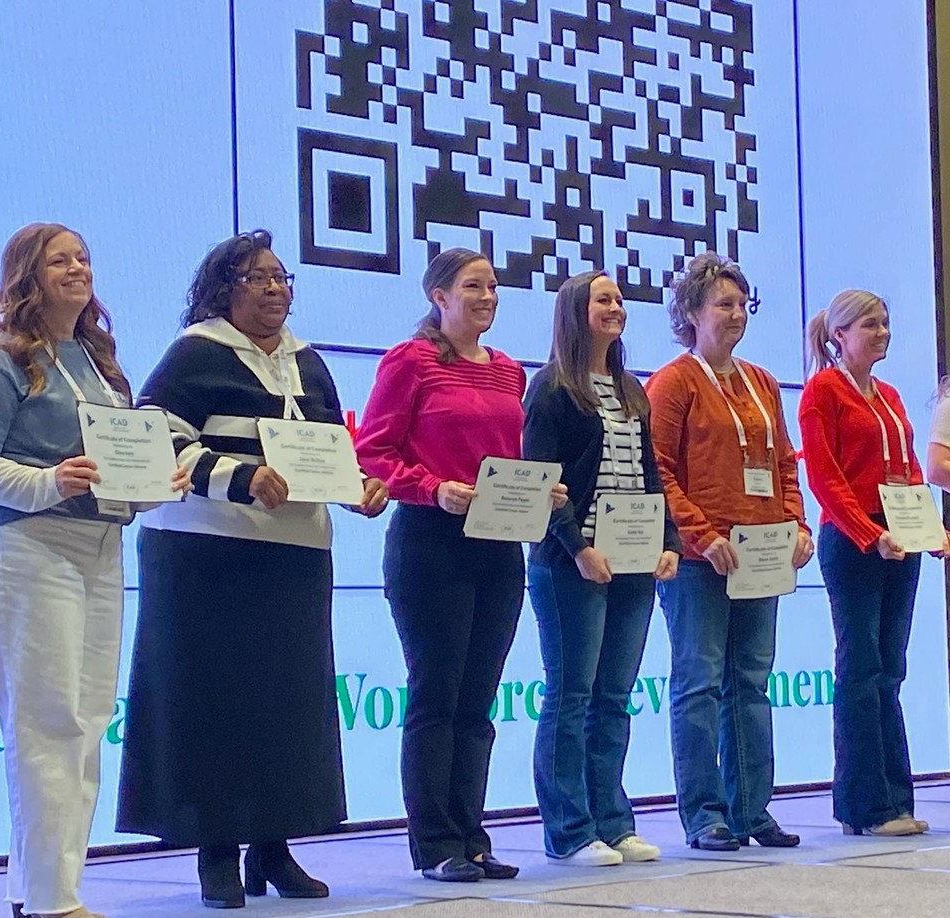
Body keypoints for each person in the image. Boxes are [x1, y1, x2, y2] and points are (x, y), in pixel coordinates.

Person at [114, 230, 388, 909]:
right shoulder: (195, 354)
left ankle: (275, 846)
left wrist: (361, 488)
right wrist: (238, 476)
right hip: (206, 554)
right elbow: (157, 437)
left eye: (281, 277)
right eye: (257, 278)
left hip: (292, 556)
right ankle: (216, 853)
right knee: (218, 704)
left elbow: (331, 448)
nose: (275, 289)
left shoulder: (309, 363)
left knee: (285, 707)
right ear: (222, 289)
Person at [0, 223, 185, 918]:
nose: (77, 269)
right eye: (60, 260)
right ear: (28, 274)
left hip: (100, 544)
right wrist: (49, 481)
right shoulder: (0, 358)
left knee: (85, 719)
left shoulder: (100, 362)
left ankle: (41, 891)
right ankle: (54, 901)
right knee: (46, 720)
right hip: (27, 541)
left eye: (83, 258)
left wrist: (151, 484)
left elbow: (119, 464)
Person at [355, 247, 567, 882]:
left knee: (478, 700)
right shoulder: (410, 360)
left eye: (494, 287)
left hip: (498, 545)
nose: (488, 297)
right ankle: (434, 842)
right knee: (436, 694)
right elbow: (374, 451)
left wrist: (540, 490)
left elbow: (506, 458)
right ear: (438, 296)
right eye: (473, 286)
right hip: (429, 544)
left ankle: (472, 834)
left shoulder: (509, 371)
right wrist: (430, 487)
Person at [646, 252, 812, 851]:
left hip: (761, 552)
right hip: (700, 559)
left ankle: (753, 809)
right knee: (699, 683)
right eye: (724, 303)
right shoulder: (672, 382)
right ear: (691, 312)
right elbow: (658, 471)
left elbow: (784, 463)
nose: (738, 313)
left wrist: (797, 524)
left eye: (744, 304)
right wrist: (700, 535)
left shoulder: (763, 381)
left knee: (751, 682)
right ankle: (705, 814)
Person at [522, 271, 681, 867]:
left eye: (619, 300)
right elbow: (543, 482)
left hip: (634, 561)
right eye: (603, 299)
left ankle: (614, 820)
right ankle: (569, 829)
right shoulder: (551, 390)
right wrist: (577, 548)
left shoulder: (633, 391)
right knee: (571, 694)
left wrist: (669, 541)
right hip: (571, 564)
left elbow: (651, 476)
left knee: (614, 696)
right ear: (574, 311)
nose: (617, 307)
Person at [801, 289, 943, 836]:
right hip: (855, 545)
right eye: (869, 324)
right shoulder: (823, 391)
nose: (882, 332)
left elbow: (907, 470)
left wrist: (927, 531)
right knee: (859, 670)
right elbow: (825, 478)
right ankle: (865, 806)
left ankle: (896, 798)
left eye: (885, 323)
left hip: (898, 546)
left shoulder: (888, 395)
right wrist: (869, 534)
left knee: (890, 670)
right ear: (840, 335)